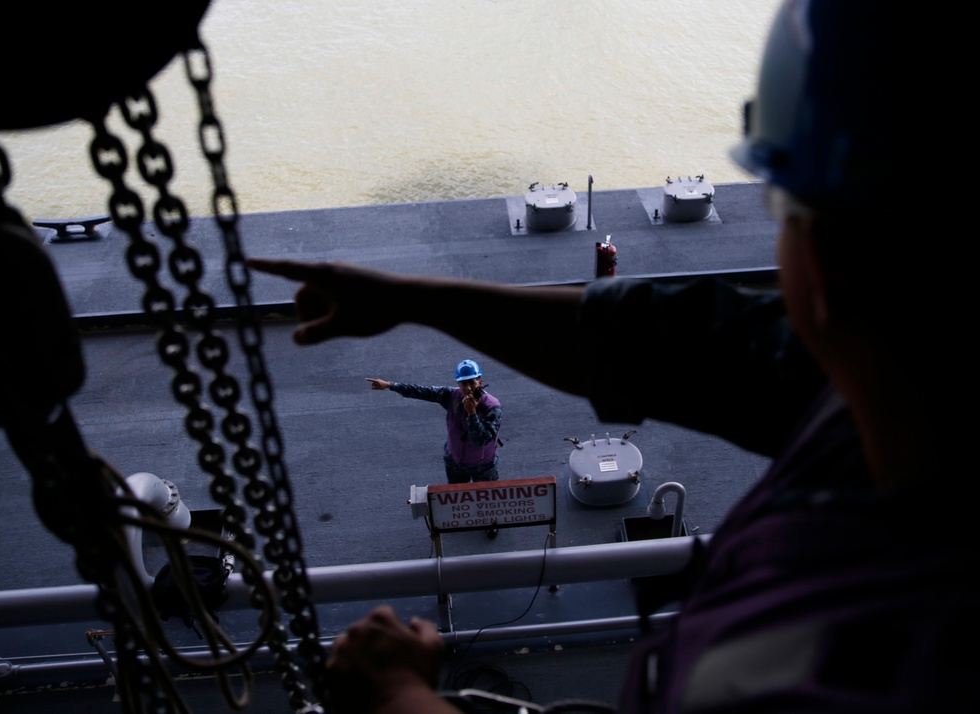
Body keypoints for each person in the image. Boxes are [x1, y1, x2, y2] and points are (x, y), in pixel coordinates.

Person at [250, 2, 972, 712]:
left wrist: (395, 696)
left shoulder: (869, 659)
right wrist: (415, 300)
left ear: (825, 265)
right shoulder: (867, 386)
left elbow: (667, 341)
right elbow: (657, 338)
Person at [365, 359, 502, 490]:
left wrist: (471, 413)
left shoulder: (492, 407)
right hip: (455, 462)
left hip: (483, 465)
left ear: (480, 382)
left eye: (472, 383)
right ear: (458, 385)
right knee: (457, 500)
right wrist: (390, 385)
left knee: (487, 500)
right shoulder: (452, 396)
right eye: (464, 384)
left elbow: (481, 440)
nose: (469, 388)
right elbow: (423, 391)